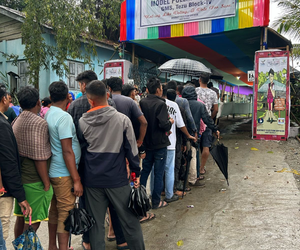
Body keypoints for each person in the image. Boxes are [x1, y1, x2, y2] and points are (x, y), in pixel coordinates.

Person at [79, 80, 145, 250]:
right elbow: (131, 150)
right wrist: (135, 173)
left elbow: (81, 152)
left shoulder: (82, 122)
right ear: (107, 96)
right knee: (131, 222)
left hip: (92, 181)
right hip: (117, 179)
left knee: (95, 226)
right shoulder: (122, 120)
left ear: (90, 100)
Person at [68, 71, 118, 250]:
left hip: (84, 161)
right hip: (107, 159)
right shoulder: (110, 103)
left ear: (84, 85)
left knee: (86, 202)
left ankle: (87, 240)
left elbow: (73, 135)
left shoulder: (74, 106)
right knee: (110, 199)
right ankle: (113, 233)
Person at [45, 81, 83, 250]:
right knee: (65, 213)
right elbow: (67, 151)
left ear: (51, 97)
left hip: (53, 171)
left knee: (54, 211)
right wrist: (76, 180)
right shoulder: (64, 117)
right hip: (64, 173)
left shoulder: (48, 113)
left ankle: (52, 245)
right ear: (68, 96)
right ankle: (63, 248)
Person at [12, 87, 53, 237]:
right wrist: (46, 183)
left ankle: (18, 246)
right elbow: (39, 157)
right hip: (35, 181)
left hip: (20, 179)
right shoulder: (39, 123)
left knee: (21, 218)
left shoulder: (17, 120)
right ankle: (25, 247)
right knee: (32, 222)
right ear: (38, 102)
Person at [0, 85, 31, 247]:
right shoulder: (2, 124)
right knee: (1, 233)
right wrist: (21, 196)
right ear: (4, 99)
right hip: (3, 191)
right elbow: (8, 162)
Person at [140, 77, 173, 209]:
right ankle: (156, 201)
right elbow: (163, 124)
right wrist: (170, 122)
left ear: (147, 89)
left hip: (146, 143)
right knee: (158, 174)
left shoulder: (142, 102)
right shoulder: (161, 104)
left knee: (145, 171)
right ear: (159, 90)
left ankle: (141, 199)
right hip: (159, 144)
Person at [161, 86, 196, 203]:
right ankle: (170, 193)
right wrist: (189, 136)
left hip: (156, 143)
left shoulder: (151, 103)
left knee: (157, 169)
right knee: (170, 168)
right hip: (171, 143)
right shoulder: (175, 106)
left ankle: (158, 192)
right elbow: (181, 125)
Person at [182, 85, 220, 187]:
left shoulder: (180, 103)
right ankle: (193, 179)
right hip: (194, 134)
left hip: (181, 134)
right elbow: (207, 119)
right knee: (193, 155)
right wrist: (215, 129)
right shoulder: (199, 105)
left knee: (181, 156)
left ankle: (180, 179)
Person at [107, 77, 147, 148]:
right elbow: (144, 122)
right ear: (121, 87)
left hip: (108, 141)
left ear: (109, 88)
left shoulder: (105, 101)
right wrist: (140, 141)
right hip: (126, 141)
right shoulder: (130, 101)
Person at [195, 74, 219, 176]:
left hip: (196, 120)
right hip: (207, 121)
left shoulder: (195, 91)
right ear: (208, 81)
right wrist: (210, 118)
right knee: (206, 145)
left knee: (194, 145)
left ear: (199, 79)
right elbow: (216, 109)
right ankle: (201, 168)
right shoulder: (213, 93)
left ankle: (193, 168)